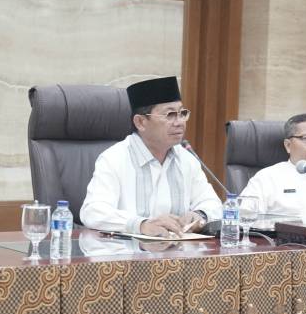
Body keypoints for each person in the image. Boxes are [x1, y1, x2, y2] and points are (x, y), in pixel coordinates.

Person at [80, 76, 221, 237]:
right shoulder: (114, 159)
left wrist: (200, 215)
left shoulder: (186, 159)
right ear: (140, 122)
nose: (179, 122)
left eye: (182, 113)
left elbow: (213, 204)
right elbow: (92, 212)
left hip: (179, 249)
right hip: (127, 251)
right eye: (170, 115)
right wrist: (141, 225)